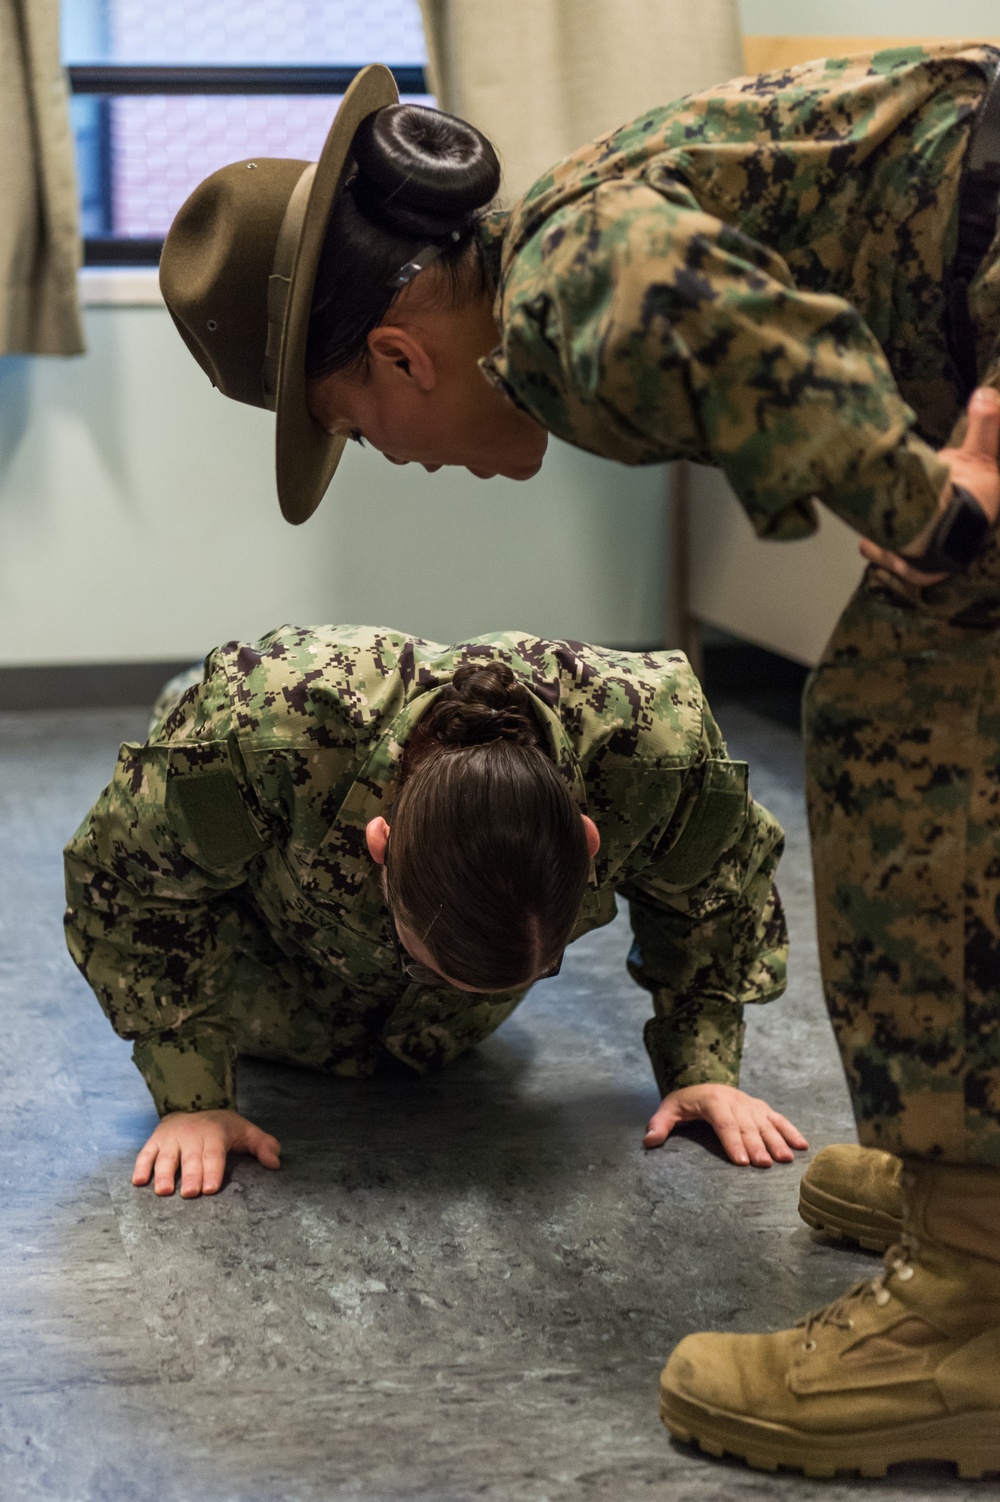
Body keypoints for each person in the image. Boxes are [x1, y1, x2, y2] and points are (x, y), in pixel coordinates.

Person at [156, 45, 1000, 1474]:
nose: (402, 459)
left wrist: (940, 518)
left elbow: (728, 322)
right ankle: (972, 1187)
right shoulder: (564, 227)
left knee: (898, 733)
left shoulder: (556, 305)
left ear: (402, 354)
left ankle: (968, 1318)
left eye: (363, 427)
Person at [64, 626, 804, 1199]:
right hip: (274, 951)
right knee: (181, 740)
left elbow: (718, 892)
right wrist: (190, 1095)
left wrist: (701, 1068)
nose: (452, 988)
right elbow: (131, 883)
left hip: (433, 1042)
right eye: (429, 961)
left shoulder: (656, 752)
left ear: (588, 841)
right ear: (377, 847)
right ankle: (180, 691)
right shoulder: (266, 734)